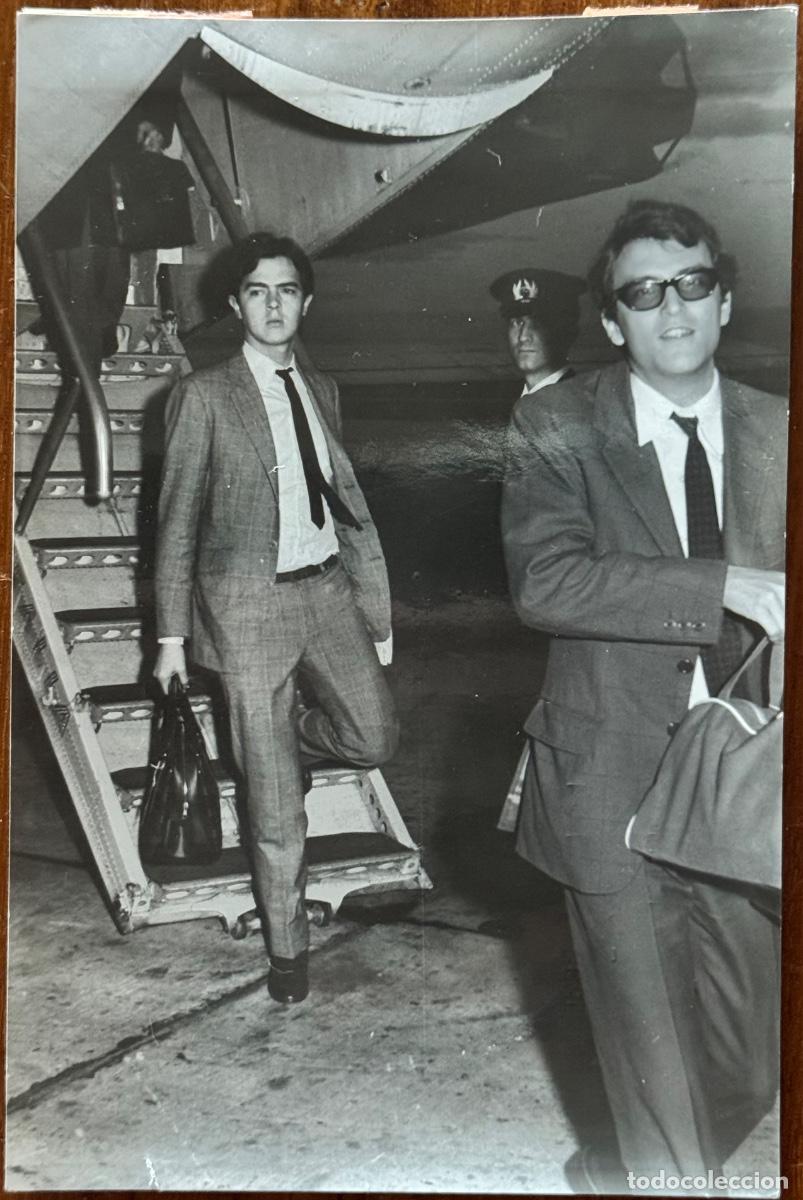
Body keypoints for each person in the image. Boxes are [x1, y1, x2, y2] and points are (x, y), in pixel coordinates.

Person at [501, 199, 786, 1188]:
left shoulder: (776, 429)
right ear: (613, 320)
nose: (672, 308)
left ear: (722, 298)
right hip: (610, 777)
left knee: (751, 1059)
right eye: (642, 293)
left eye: (692, 283)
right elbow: (546, 582)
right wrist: (722, 587)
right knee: (657, 1065)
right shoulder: (554, 423)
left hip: (738, 789)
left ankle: (621, 1167)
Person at [153, 232, 399, 1006]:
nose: (272, 304)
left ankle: (275, 734)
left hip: (325, 595)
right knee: (273, 806)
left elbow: (346, 508)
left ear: (305, 300)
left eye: (286, 290)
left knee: (372, 735)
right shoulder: (203, 396)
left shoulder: (322, 389)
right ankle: (287, 952)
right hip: (248, 608)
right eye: (256, 292)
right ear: (235, 305)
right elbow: (176, 525)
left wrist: (373, 609)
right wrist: (169, 636)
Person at [488, 267, 585, 831]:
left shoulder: (575, 409)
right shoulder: (527, 404)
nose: (523, 336)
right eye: (515, 323)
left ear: (566, 333)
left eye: (537, 324)